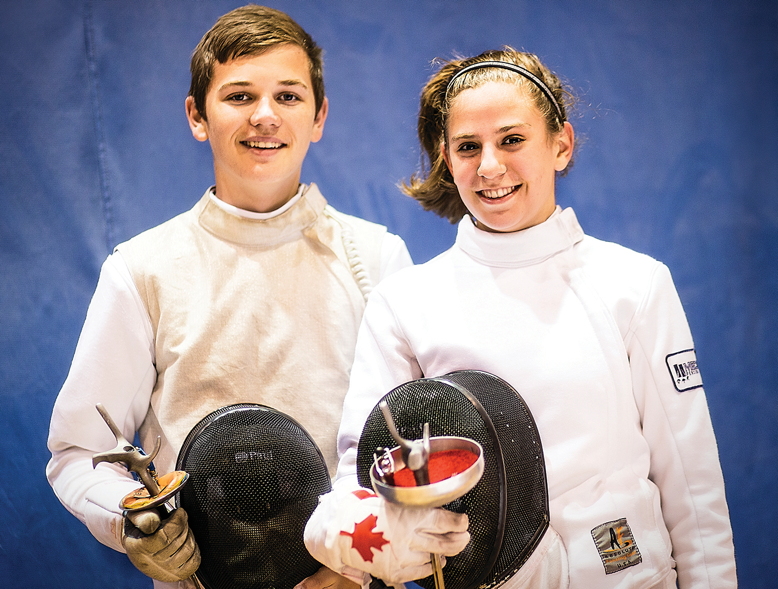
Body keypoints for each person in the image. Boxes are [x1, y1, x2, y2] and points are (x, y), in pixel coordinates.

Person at [304, 48, 737, 589]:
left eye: (511, 140)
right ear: (446, 158)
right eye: (468, 147)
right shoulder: (405, 302)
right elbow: (364, 474)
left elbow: (693, 487)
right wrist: (340, 533)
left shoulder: (633, 284)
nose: (490, 166)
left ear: (561, 143)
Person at [45, 5, 412, 589]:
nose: (265, 116)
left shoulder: (378, 259)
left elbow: (408, 447)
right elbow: (78, 452)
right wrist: (131, 520)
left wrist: (358, 558)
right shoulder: (142, 271)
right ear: (198, 114)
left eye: (288, 96)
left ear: (319, 116)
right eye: (239, 96)